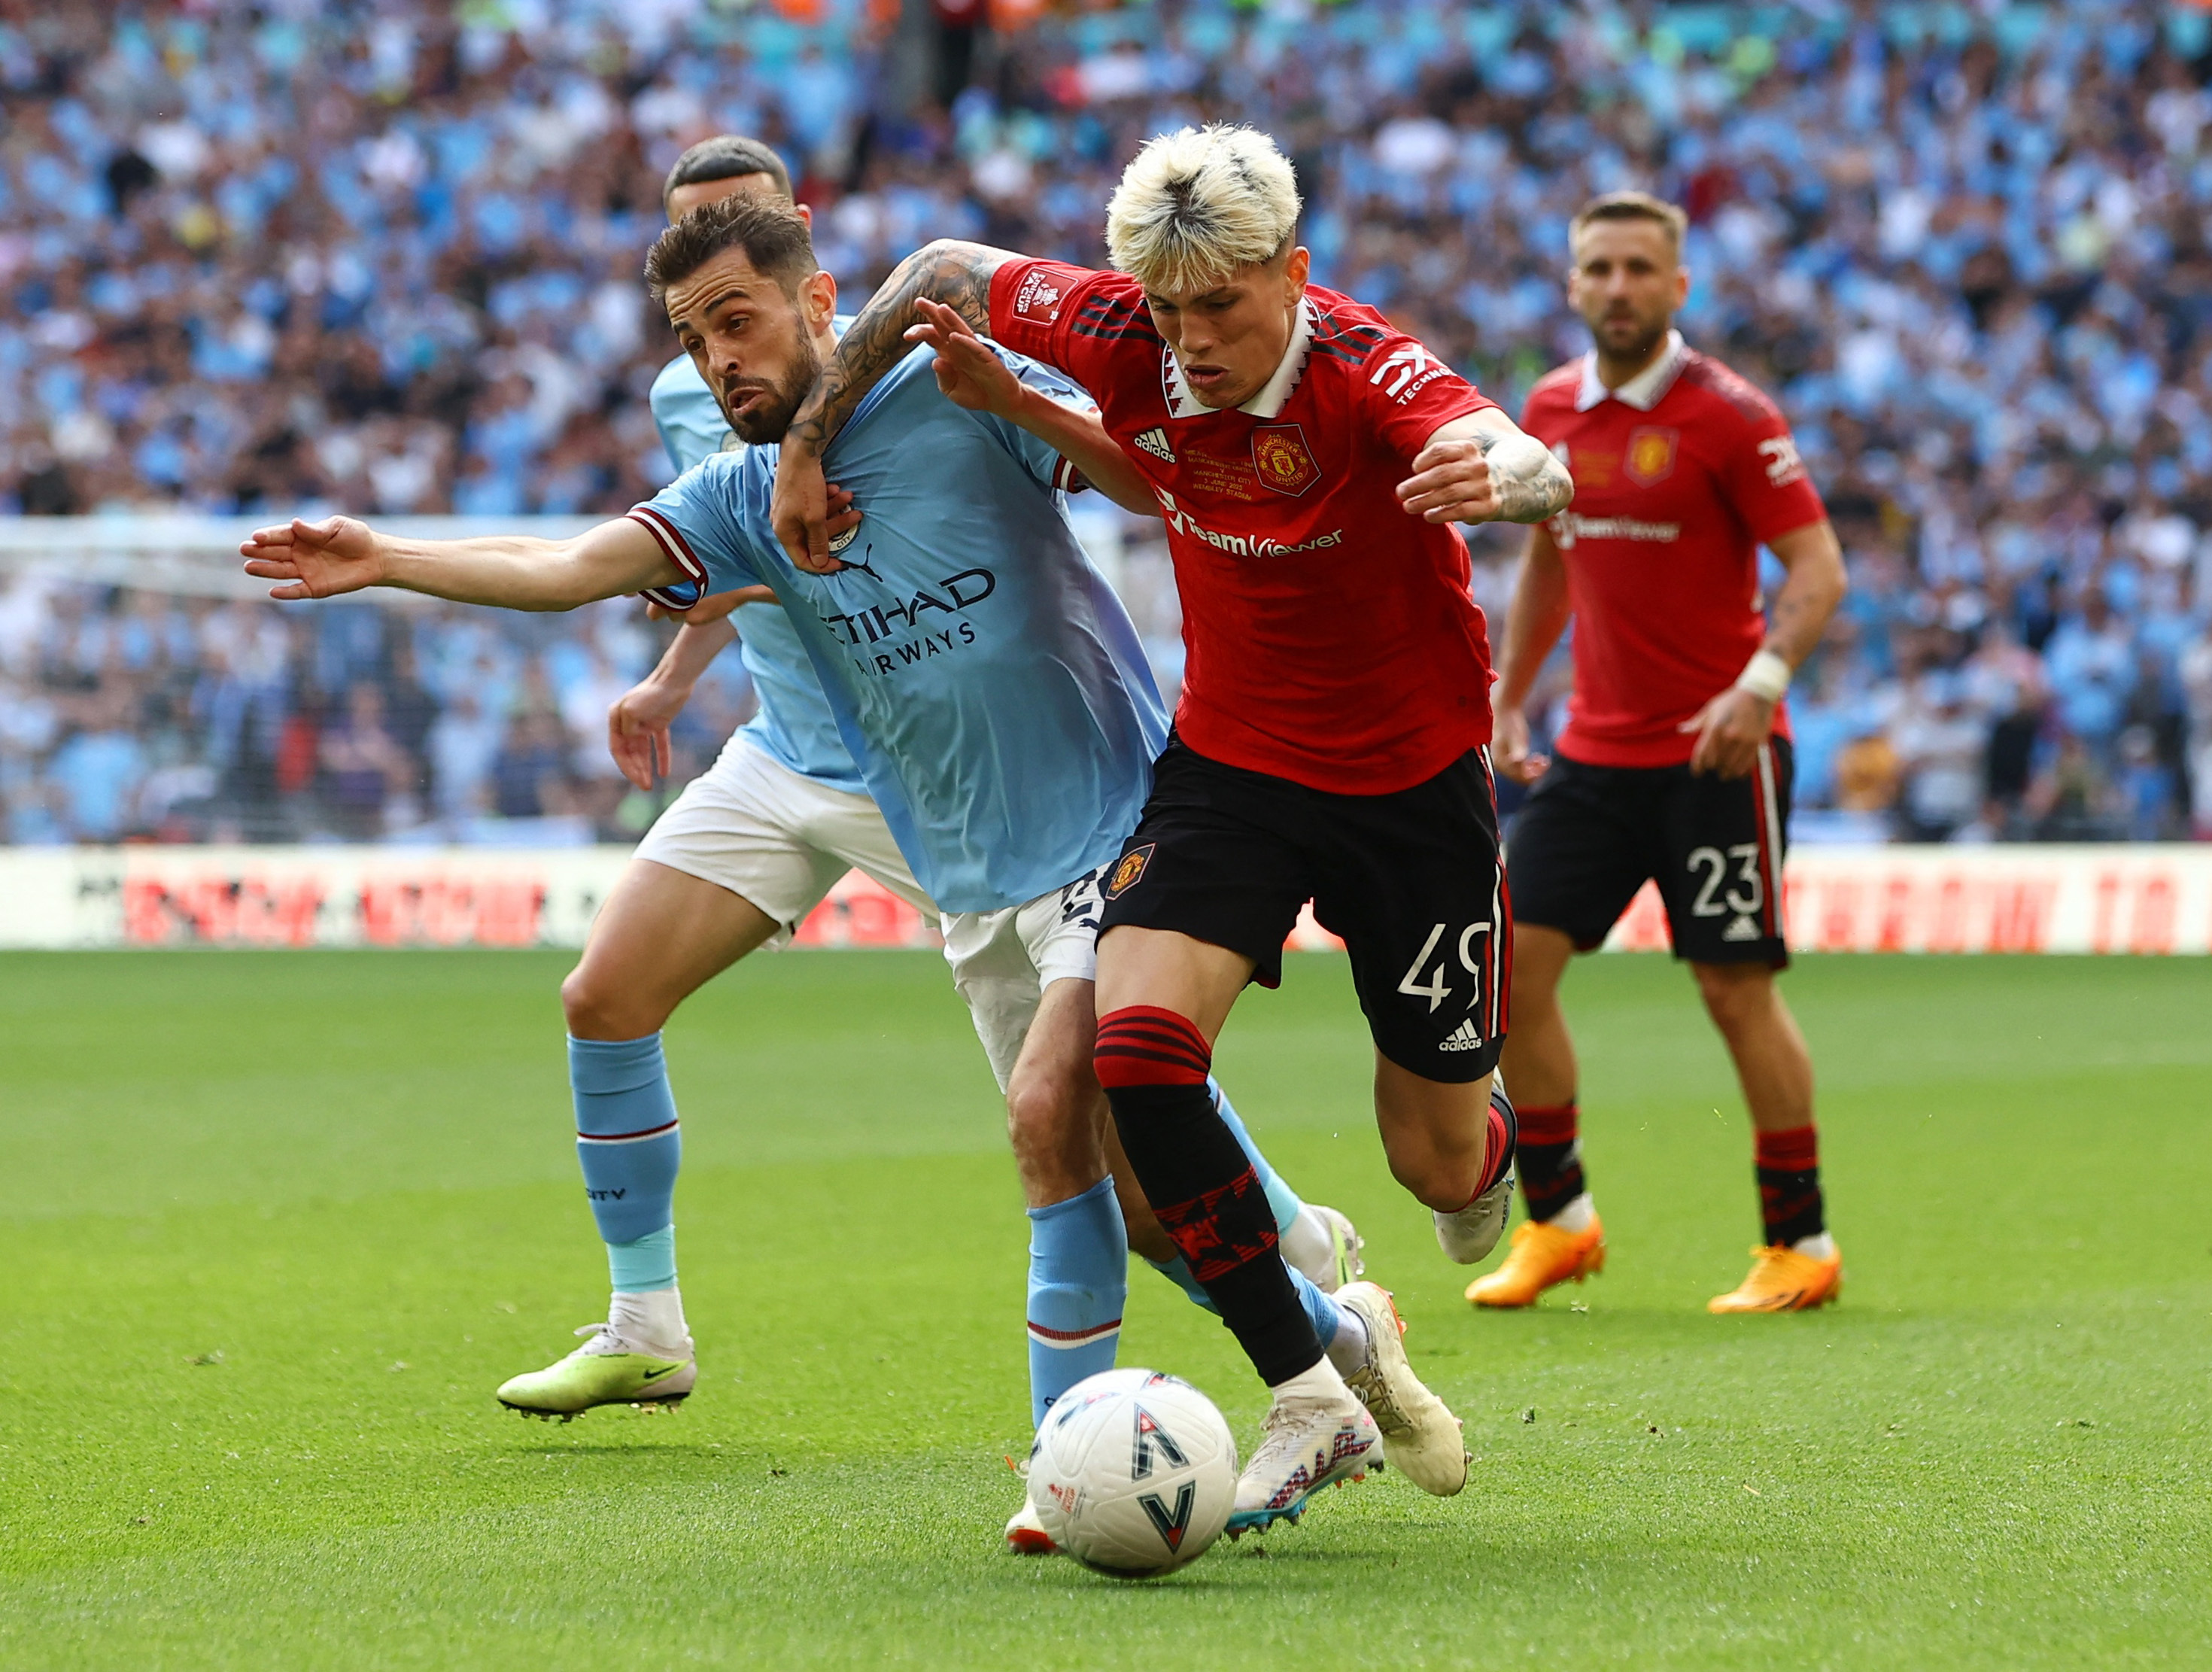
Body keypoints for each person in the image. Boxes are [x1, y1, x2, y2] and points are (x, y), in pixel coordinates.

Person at [242, 187, 1454, 1546]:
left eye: (738, 321)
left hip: (1119, 823)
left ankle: (1061, 1467)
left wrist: (1022, 400)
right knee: (1141, 1204)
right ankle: (1338, 1346)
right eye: (694, 339)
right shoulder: (735, 492)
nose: (720, 359)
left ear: (821, 301)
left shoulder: (952, 391)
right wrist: (388, 557)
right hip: (975, 873)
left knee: (1047, 1114)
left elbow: (1151, 476)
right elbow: (574, 563)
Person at [770, 123, 1574, 1529]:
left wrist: (1517, 476)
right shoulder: (1114, 330)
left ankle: (1487, 1140)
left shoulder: (1364, 368)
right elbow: (941, 267)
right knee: (1135, 1056)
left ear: (1295, 276)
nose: (1191, 339)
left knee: (1434, 1163)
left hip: (1410, 795)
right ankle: (1310, 1394)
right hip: (1232, 769)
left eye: (1221, 306)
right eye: (1167, 307)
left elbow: (1506, 447)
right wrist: (807, 441)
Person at [1475, 191, 1850, 1315]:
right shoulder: (1550, 406)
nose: (1619, 287)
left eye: (1641, 268)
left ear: (1678, 286)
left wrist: (1758, 688)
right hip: (1595, 754)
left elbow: (1819, 568)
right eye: (1600, 268)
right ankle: (1560, 1222)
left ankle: (1801, 1241)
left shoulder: (1731, 416)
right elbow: (1553, 559)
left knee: (1734, 990)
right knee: (1510, 973)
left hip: (1716, 757)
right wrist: (1509, 695)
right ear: (1573, 284)